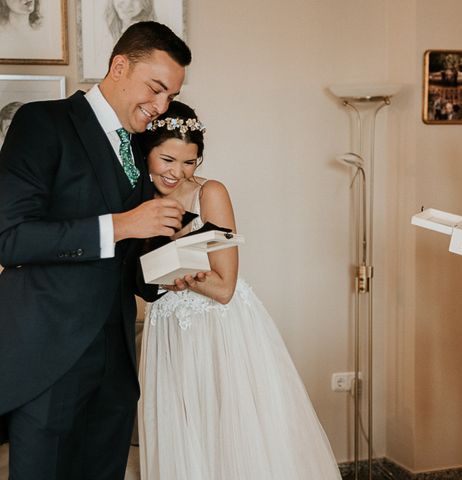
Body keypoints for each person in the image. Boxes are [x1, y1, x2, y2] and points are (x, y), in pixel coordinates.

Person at [0, 21, 195, 479]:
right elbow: (11, 237)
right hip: (47, 354)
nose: (161, 106)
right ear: (119, 66)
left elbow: (127, 259)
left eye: (171, 95)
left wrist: (169, 269)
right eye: (156, 88)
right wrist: (123, 224)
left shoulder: (139, 145)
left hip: (116, 361)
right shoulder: (42, 122)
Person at [136, 101, 342, 480]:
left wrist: (174, 270)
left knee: (229, 431)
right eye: (167, 159)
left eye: (189, 162)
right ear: (146, 151)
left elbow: (225, 286)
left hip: (218, 329)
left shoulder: (210, 193)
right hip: (166, 329)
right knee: (182, 431)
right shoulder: (136, 201)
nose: (176, 173)